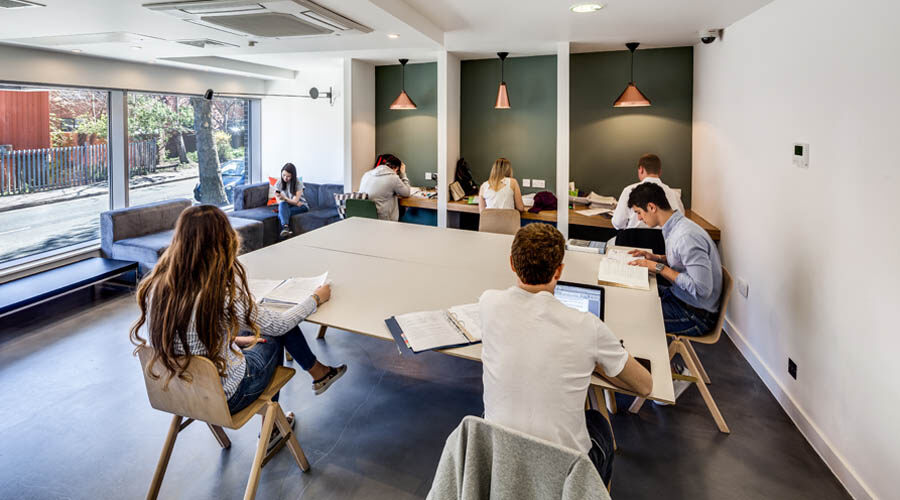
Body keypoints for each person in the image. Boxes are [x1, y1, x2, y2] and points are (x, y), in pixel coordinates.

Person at [129, 205, 347, 441]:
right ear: (223, 240)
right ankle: (275, 424)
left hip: (177, 391)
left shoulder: (157, 286)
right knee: (274, 329)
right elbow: (280, 325)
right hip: (227, 396)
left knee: (259, 327)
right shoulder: (219, 293)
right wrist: (316, 298)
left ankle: (319, 372)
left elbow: (187, 336)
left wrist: (232, 339)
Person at [479, 223, 652, 484]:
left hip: (500, 455)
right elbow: (645, 385)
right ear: (559, 270)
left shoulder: (488, 303)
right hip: (562, 471)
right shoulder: (587, 326)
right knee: (599, 424)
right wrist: (594, 363)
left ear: (512, 264)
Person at [626, 182, 722, 400]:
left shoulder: (686, 236)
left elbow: (702, 289)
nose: (639, 218)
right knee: (635, 297)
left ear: (652, 207)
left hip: (695, 314)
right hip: (682, 298)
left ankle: (668, 377)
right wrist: (656, 258)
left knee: (634, 319)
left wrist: (658, 268)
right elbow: (682, 262)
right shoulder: (676, 227)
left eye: (639, 213)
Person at [611, 153, 685, 230]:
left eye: (638, 212)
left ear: (641, 169)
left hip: (633, 237)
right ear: (660, 172)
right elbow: (680, 220)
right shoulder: (673, 194)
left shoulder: (629, 191)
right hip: (665, 237)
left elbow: (618, 223)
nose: (639, 217)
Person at [359, 154, 411, 221]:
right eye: (397, 171)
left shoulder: (366, 174)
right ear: (396, 168)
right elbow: (407, 192)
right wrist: (403, 174)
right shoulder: (393, 177)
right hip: (383, 220)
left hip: (364, 217)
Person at [274, 163, 308, 238]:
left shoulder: (298, 183)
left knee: (281, 214)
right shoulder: (279, 182)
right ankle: (286, 229)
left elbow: (295, 201)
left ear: (293, 176)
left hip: (301, 206)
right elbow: (279, 201)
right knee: (282, 206)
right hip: (289, 205)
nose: (285, 178)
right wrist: (289, 201)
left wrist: (284, 198)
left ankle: (283, 235)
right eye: (283, 175)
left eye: (288, 176)